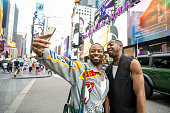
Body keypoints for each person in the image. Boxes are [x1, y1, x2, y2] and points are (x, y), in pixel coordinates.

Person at [31, 34, 109, 113]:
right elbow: (61, 62)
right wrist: (42, 52)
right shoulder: (80, 69)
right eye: (93, 51)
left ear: (103, 55)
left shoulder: (105, 76)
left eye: (99, 51)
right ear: (89, 55)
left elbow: (103, 97)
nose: (96, 53)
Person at [104, 40, 146, 113]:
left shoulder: (132, 63)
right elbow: (107, 94)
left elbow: (140, 93)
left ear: (120, 46)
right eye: (107, 46)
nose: (108, 47)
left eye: (111, 45)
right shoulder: (108, 69)